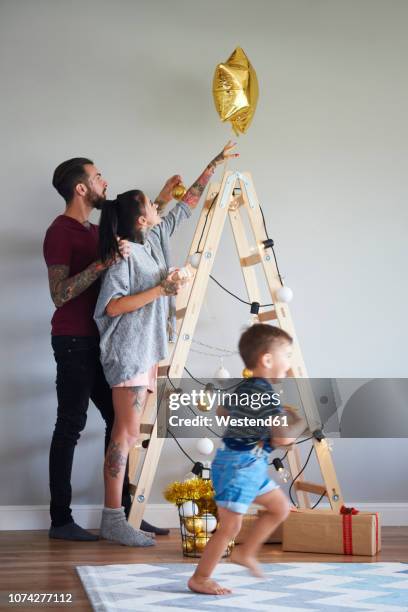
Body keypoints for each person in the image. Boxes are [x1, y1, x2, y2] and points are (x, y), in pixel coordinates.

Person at [94, 141, 239, 547]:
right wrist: (162, 289)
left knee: (131, 434)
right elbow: (112, 306)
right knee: (123, 435)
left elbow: (185, 206)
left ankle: (123, 516)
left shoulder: (153, 240)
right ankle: (112, 518)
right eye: (151, 205)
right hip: (127, 352)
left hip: (148, 349)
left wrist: (213, 163)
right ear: (141, 218)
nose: (160, 207)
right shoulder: (124, 256)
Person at [43, 157, 180, 541]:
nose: (105, 180)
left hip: (109, 342)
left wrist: (162, 201)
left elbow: (136, 220)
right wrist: (104, 264)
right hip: (75, 341)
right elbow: (59, 294)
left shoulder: (98, 228)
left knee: (120, 427)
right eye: (97, 176)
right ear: (81, 188)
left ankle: (122, 511)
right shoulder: (61, 231)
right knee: (71, 424)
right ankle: (61, 520)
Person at [188, 323, 307, 595]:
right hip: (239, 467)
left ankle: (247, 553)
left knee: (279, 507)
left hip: (246, 466)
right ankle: (200, 578)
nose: (289, 364)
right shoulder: (266, 395)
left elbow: (221, 412)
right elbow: (282, 440)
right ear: (267, 359)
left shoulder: (245, 387)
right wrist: (301, 423)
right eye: (286, 355)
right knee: (230, 527)